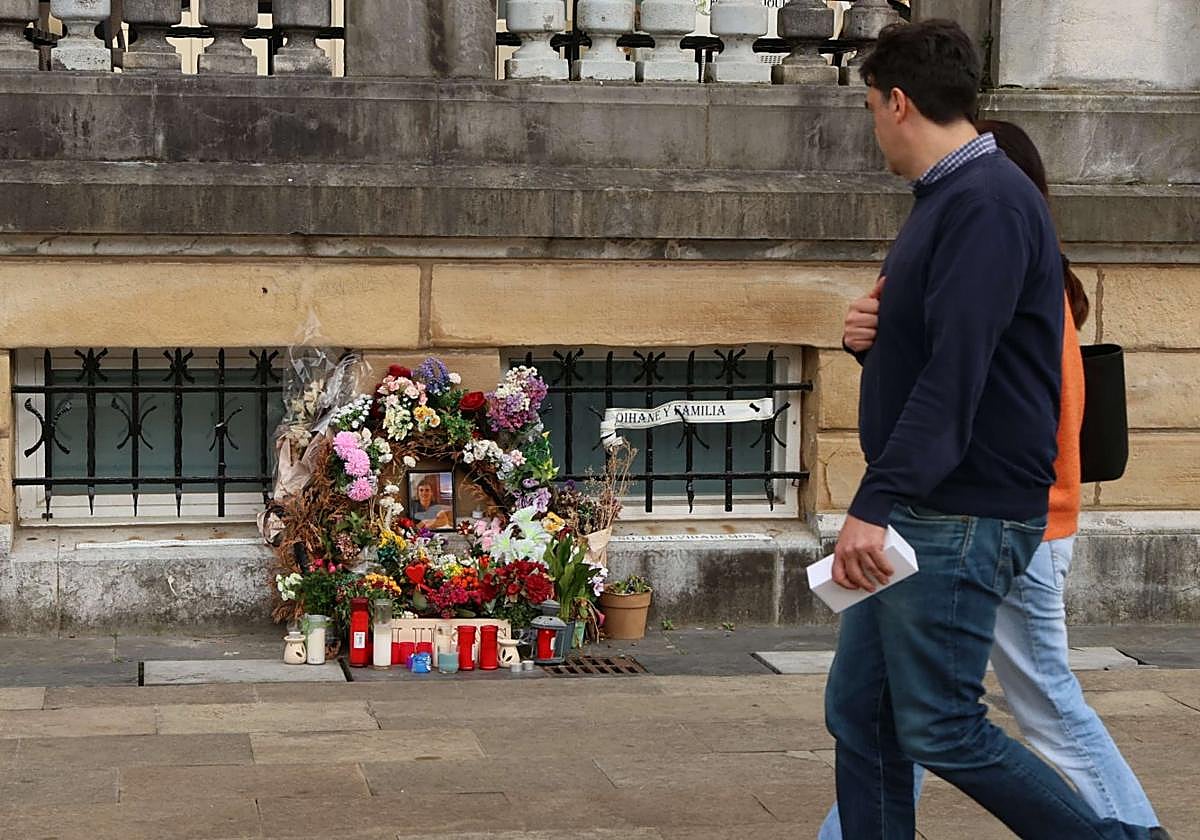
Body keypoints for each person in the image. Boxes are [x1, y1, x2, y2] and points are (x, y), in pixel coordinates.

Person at [822, 19, 1154, 839]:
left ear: (899, 103)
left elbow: (958, 377)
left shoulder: (986, 202)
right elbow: (956, 359)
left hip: (958, 514)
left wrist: (875, 502)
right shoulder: (956, 198)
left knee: (940, 726)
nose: (874, 130)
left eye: (870, 109)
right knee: (863, 715)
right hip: (930, 506)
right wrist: (872, 342)